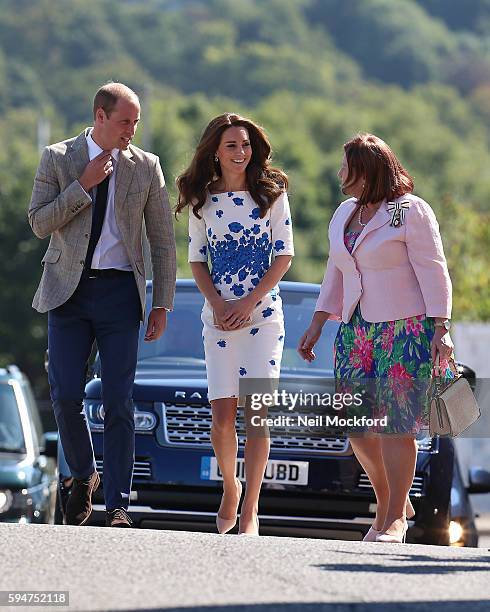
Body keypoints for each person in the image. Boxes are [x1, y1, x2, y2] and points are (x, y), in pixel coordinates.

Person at [29, 82, 176, 527]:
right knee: (66, 393)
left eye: (136, 122)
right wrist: (82, 185)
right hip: (67, 291)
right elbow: (38, 223)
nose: (132, 129)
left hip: (119, 294)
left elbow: (163, 240)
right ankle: (85, 473)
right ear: (100, 116)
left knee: (118, 401)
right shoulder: (57, 158)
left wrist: (162, 303)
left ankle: (118, 505)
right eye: (124, 121)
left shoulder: (146, 167)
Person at [298, 133, 453, 543]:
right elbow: (336, 272)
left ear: (364, 171)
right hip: (356, 331)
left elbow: (434, 269)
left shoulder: (409, 211)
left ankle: (391, 521)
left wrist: (442, 327)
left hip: (404, 328)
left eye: (345, 165)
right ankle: (393, 502)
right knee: (356, 426)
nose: (339, 172)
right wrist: (317, 323)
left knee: (395, 426)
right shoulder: (344, 213)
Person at [176, 113, 294, 535]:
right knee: (223, 419)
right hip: (218, 321)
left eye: (245, 145)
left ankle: (252, 510)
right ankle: (231, 485)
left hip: (263, 318)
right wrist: (219, 303)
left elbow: (283, 256)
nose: (241, 152)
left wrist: (248, 302)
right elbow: (195, 258)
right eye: (231, 146)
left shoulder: (272, 195)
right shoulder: (201, 199)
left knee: (258, 416)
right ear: (215, 151)